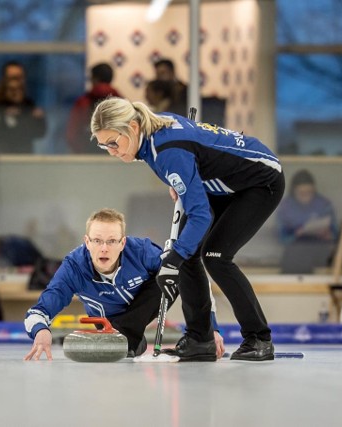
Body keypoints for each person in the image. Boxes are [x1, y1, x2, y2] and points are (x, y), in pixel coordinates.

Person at [91, 97, 285, 362]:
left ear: (133, 127)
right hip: (220, 181)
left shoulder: (167, 150)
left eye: (114, 142)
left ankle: (259, 338)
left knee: (215, 257)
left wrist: (175, 256)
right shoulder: (151, 137)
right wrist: (182, 180)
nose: (112, 151)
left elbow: (201, 215)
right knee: (187, 253)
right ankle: (199, 339)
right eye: (104, 146)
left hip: (260, 180)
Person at [23, 208, 225, 361]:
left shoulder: (142, 252)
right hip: (108, 326)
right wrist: (41, 331)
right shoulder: (74, 267)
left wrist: (209, 328)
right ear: (86, 242)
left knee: (174, 270)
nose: (104, 248)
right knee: (129, 348)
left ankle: (126, 337)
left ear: (123, 243)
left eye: (111, 241)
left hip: (132, 318)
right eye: (97, 241)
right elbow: (36, 312)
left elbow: (194, 277)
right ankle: (131, 341)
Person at [277, 169, 337, 273]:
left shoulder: (324, 205)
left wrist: (329, 235)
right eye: (301, 193)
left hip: (321, 253)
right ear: (293, 191)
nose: (306, 196)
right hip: (294, 255)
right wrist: (296, 234)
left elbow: (336, 234)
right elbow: (281, 238)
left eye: (309, 192)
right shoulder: (285, 207)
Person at [66, 63, 123, 154]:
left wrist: (81, 152)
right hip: (116, 158)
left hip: (88, 156)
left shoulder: (83, 102)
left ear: (95, 79)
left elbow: (72, 134)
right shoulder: (123, 103)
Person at [0, 77, 46, 153]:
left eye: (20, 89)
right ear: (4, 91)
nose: (16, 92)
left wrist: (39, 120)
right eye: (12, 89)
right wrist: (4, 116)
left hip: (24, 153)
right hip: (1, 153)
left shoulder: (28, 106)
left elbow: (39, 133)